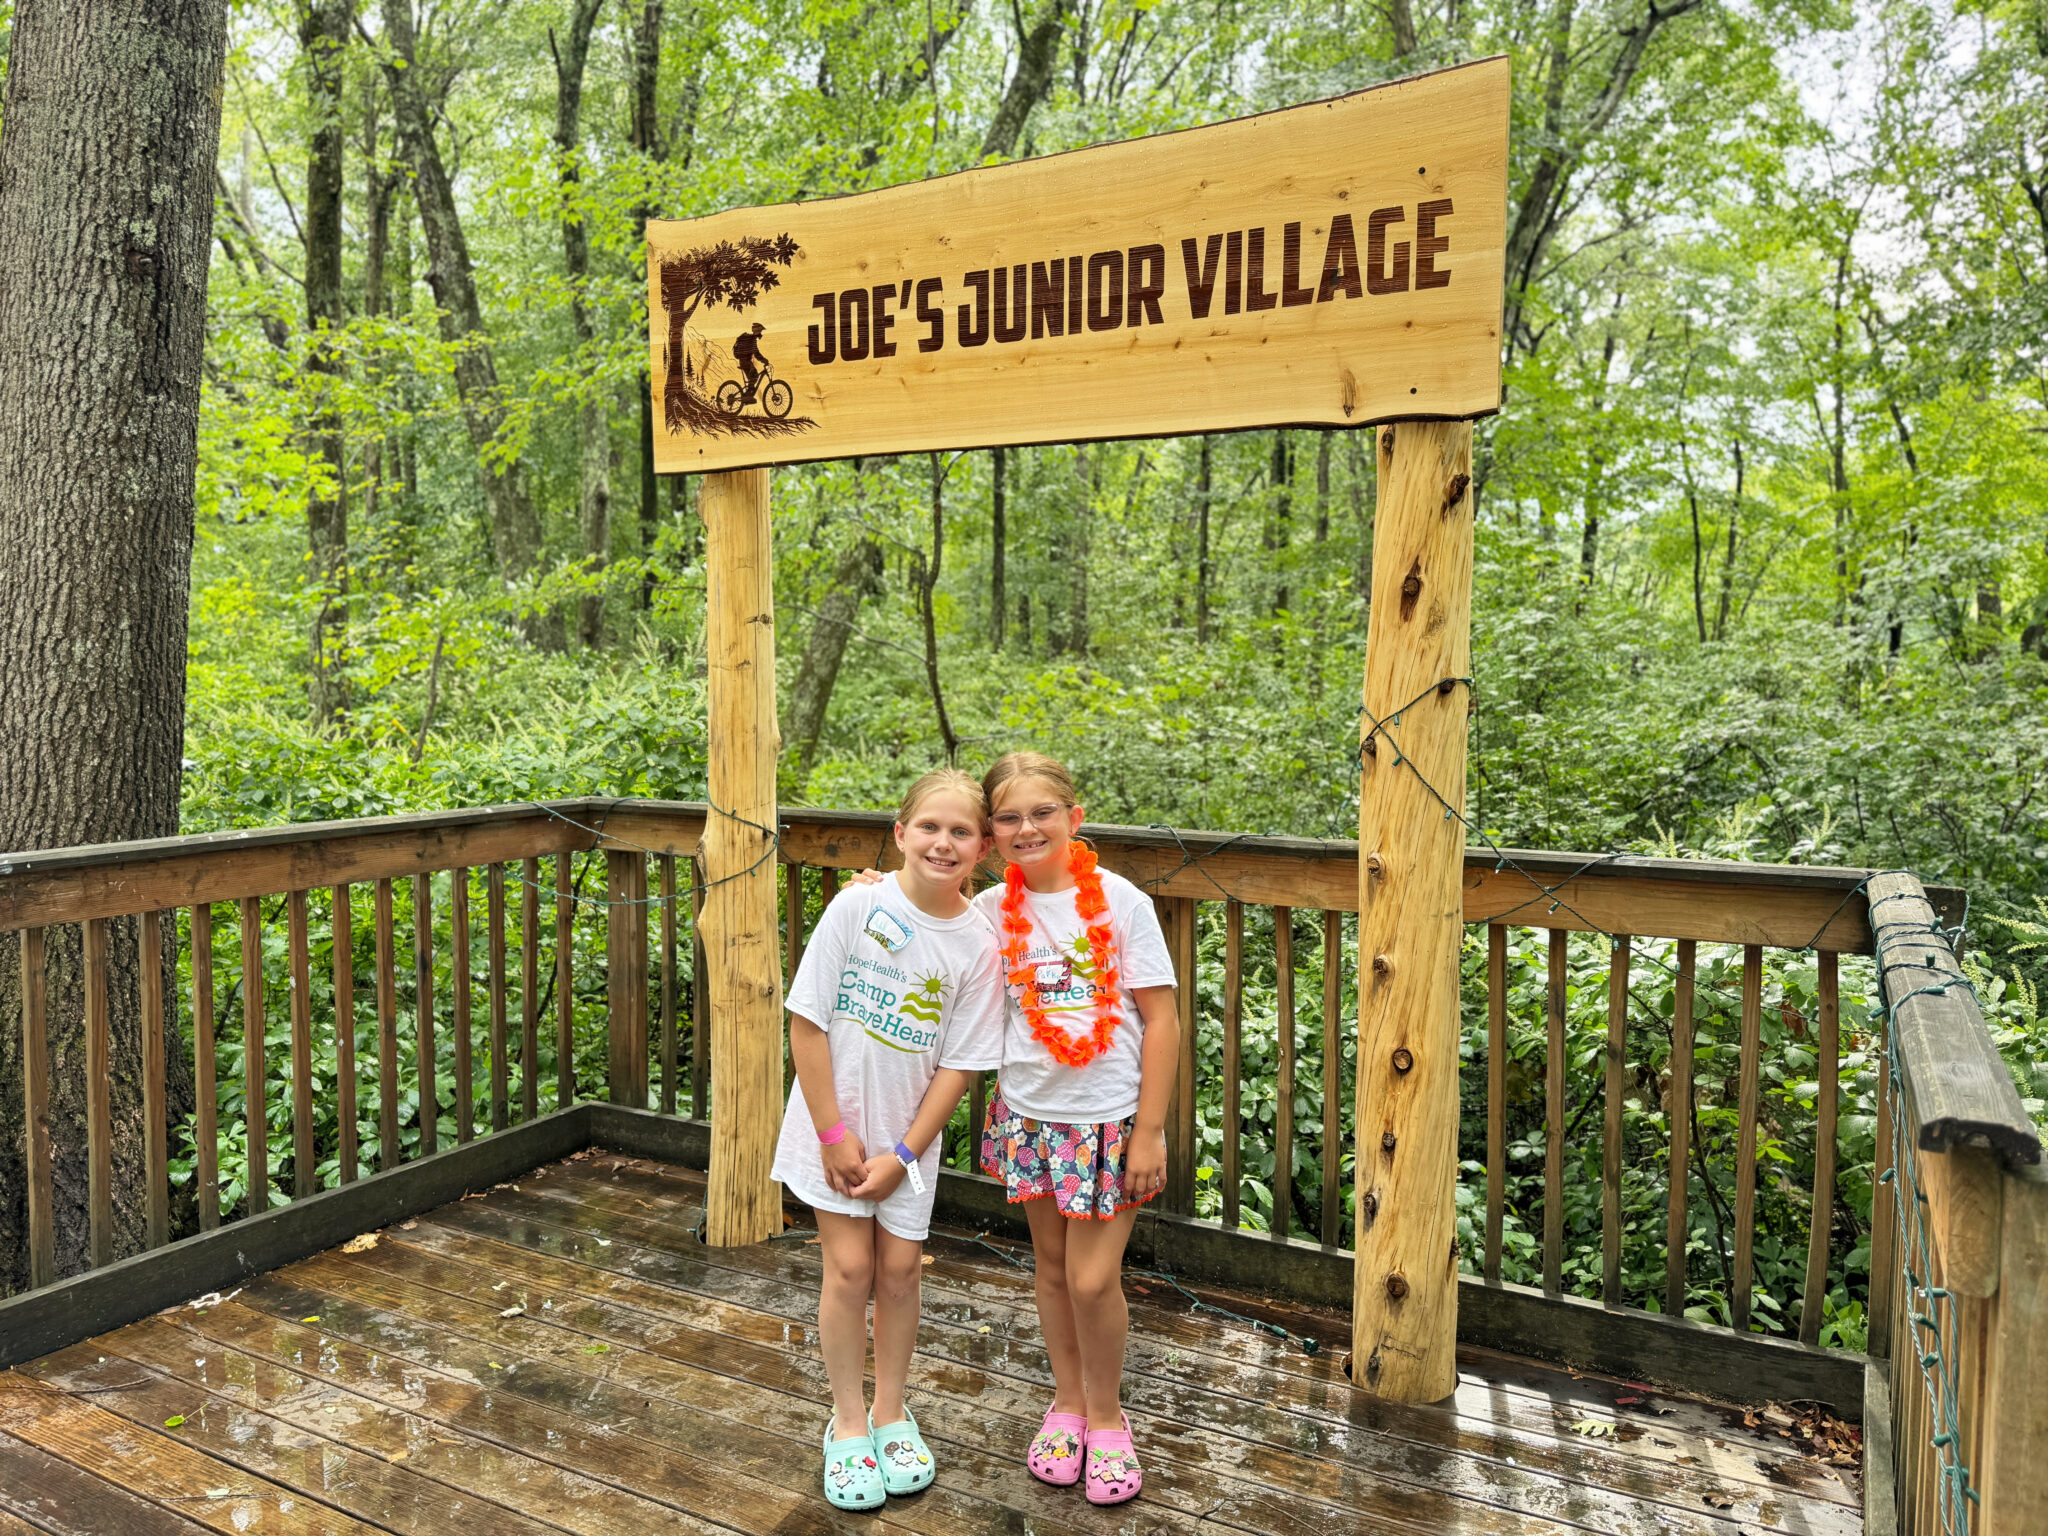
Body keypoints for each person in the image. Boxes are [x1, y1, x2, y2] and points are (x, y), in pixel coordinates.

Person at [770, 768, 1005, 1511]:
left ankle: (892, 1411)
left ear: (983, 849)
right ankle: (846, 1422)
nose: (943, 842)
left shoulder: (980, 944)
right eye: (928, 827)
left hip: (909, 1141)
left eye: (961, 832)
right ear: (900, 833)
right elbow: (807, 1022)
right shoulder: (857, 906)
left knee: (900, 1272)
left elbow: (961, 1065)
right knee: (849, 1271)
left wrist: (904, 1156)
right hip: (834, 1128)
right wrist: (833, 1135)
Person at [972, 750, 1178, 1507]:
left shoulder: (1121, 902)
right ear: (991, 835)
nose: (1027, 828)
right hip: (1030, 1116)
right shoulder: (987, 910)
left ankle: (1108, 1416)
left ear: (1074, 817)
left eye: (1042, 813)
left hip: (1110, 1120)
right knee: (1054, 1271)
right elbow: (917, 913)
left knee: (1094, 1280)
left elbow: (1162, 1020)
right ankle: (1066, 1403)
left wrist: (1149, 1130)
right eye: (1009, 817)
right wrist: (871, 889)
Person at [733, 321, 768, 402]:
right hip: (745, 361)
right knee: (754, 375)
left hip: (744, 361)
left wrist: (763, 360)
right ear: (757, 331)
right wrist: (764, 360)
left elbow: (755, 352)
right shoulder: (752, 340)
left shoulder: (750, 339)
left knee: (752, 378)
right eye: (760, 331)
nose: (761, 333)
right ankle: (748, 396)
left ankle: (748, 396)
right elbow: (756, 353)